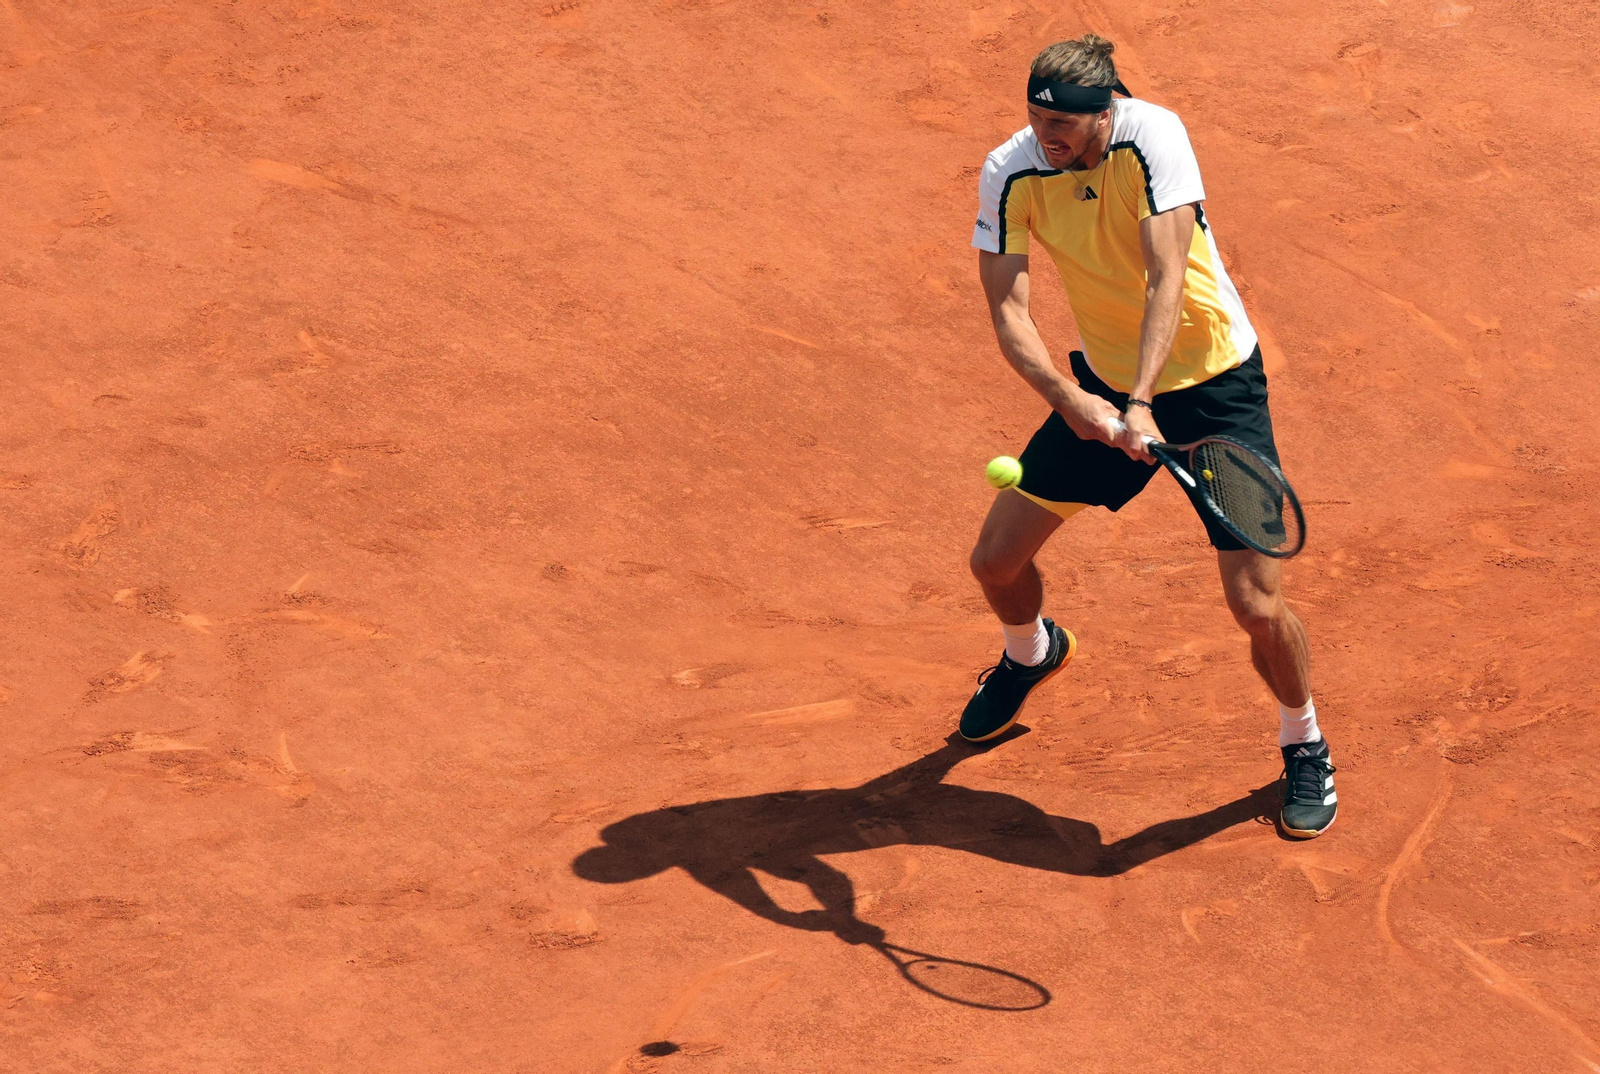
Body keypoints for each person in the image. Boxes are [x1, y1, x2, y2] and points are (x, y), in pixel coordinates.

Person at [963, 34, 1336, 837]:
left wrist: (1141, 404)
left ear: (1108, 112)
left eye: (1063, 123)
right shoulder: (1012, 170)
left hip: (1213, 387)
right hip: (1102, 384)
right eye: (1035, 118)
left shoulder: (1153, 136)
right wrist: (1075, 400)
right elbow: (1008, 309)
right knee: (995, 561)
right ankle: (1032, 651)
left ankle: (1303, 742)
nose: (1046, 136)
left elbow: (1168, 273)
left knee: (1256, 604)